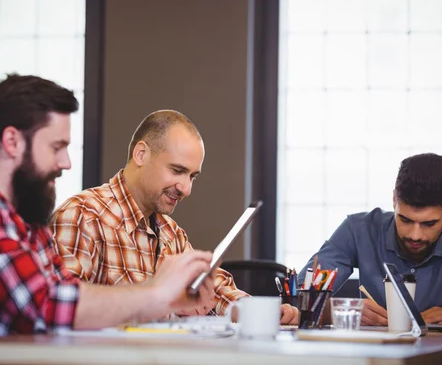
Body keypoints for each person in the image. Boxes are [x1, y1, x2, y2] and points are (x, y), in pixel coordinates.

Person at [0, 75, 214, 339]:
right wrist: (156, 293)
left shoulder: (23, 216)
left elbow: (66, 288)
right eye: (57, 147)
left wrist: (162, 297)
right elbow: (46, 307)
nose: (66, 162)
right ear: (12, 141)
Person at [50, 110, 298, 324]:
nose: (186, 189)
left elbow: (216, 291)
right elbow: (64, 314)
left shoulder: (171, 232)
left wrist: (263, 314)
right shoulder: (83, 216)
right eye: (177, 170)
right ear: (140, 154)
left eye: (192, 176)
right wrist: (169, 309)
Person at [298, 153, 442, 326]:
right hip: (376, 351)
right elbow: (299, 297)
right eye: (405, 220)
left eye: (429, 223)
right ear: (394, 200)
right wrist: (338, 310)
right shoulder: (359, 230)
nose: (415, 235)